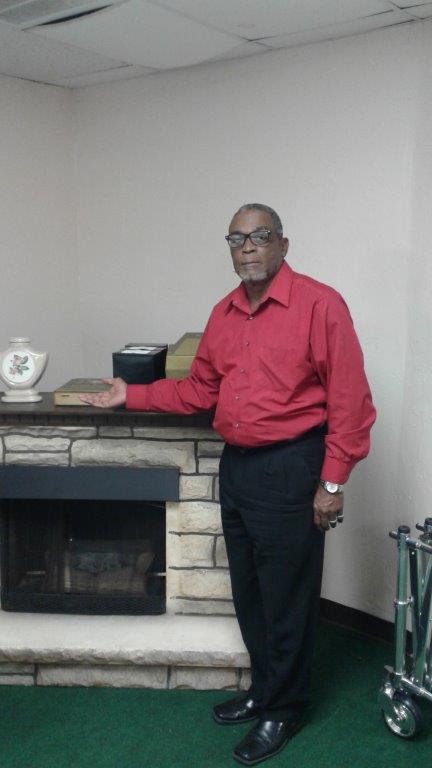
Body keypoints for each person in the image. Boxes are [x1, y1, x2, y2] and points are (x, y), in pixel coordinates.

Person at [80, 203, 376, 766]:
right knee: (251, 592)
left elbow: (352, 403)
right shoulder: (224, 313)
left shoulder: (321, 305)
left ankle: (284, 708)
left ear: (283, 244)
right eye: (237, 239)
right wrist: (131, 394)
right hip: (238, 467)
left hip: (292, 466)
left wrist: (332, 484)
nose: (248, 247)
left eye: (260, 236)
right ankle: (265, 690)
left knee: (287, 596)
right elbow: (199, 390)